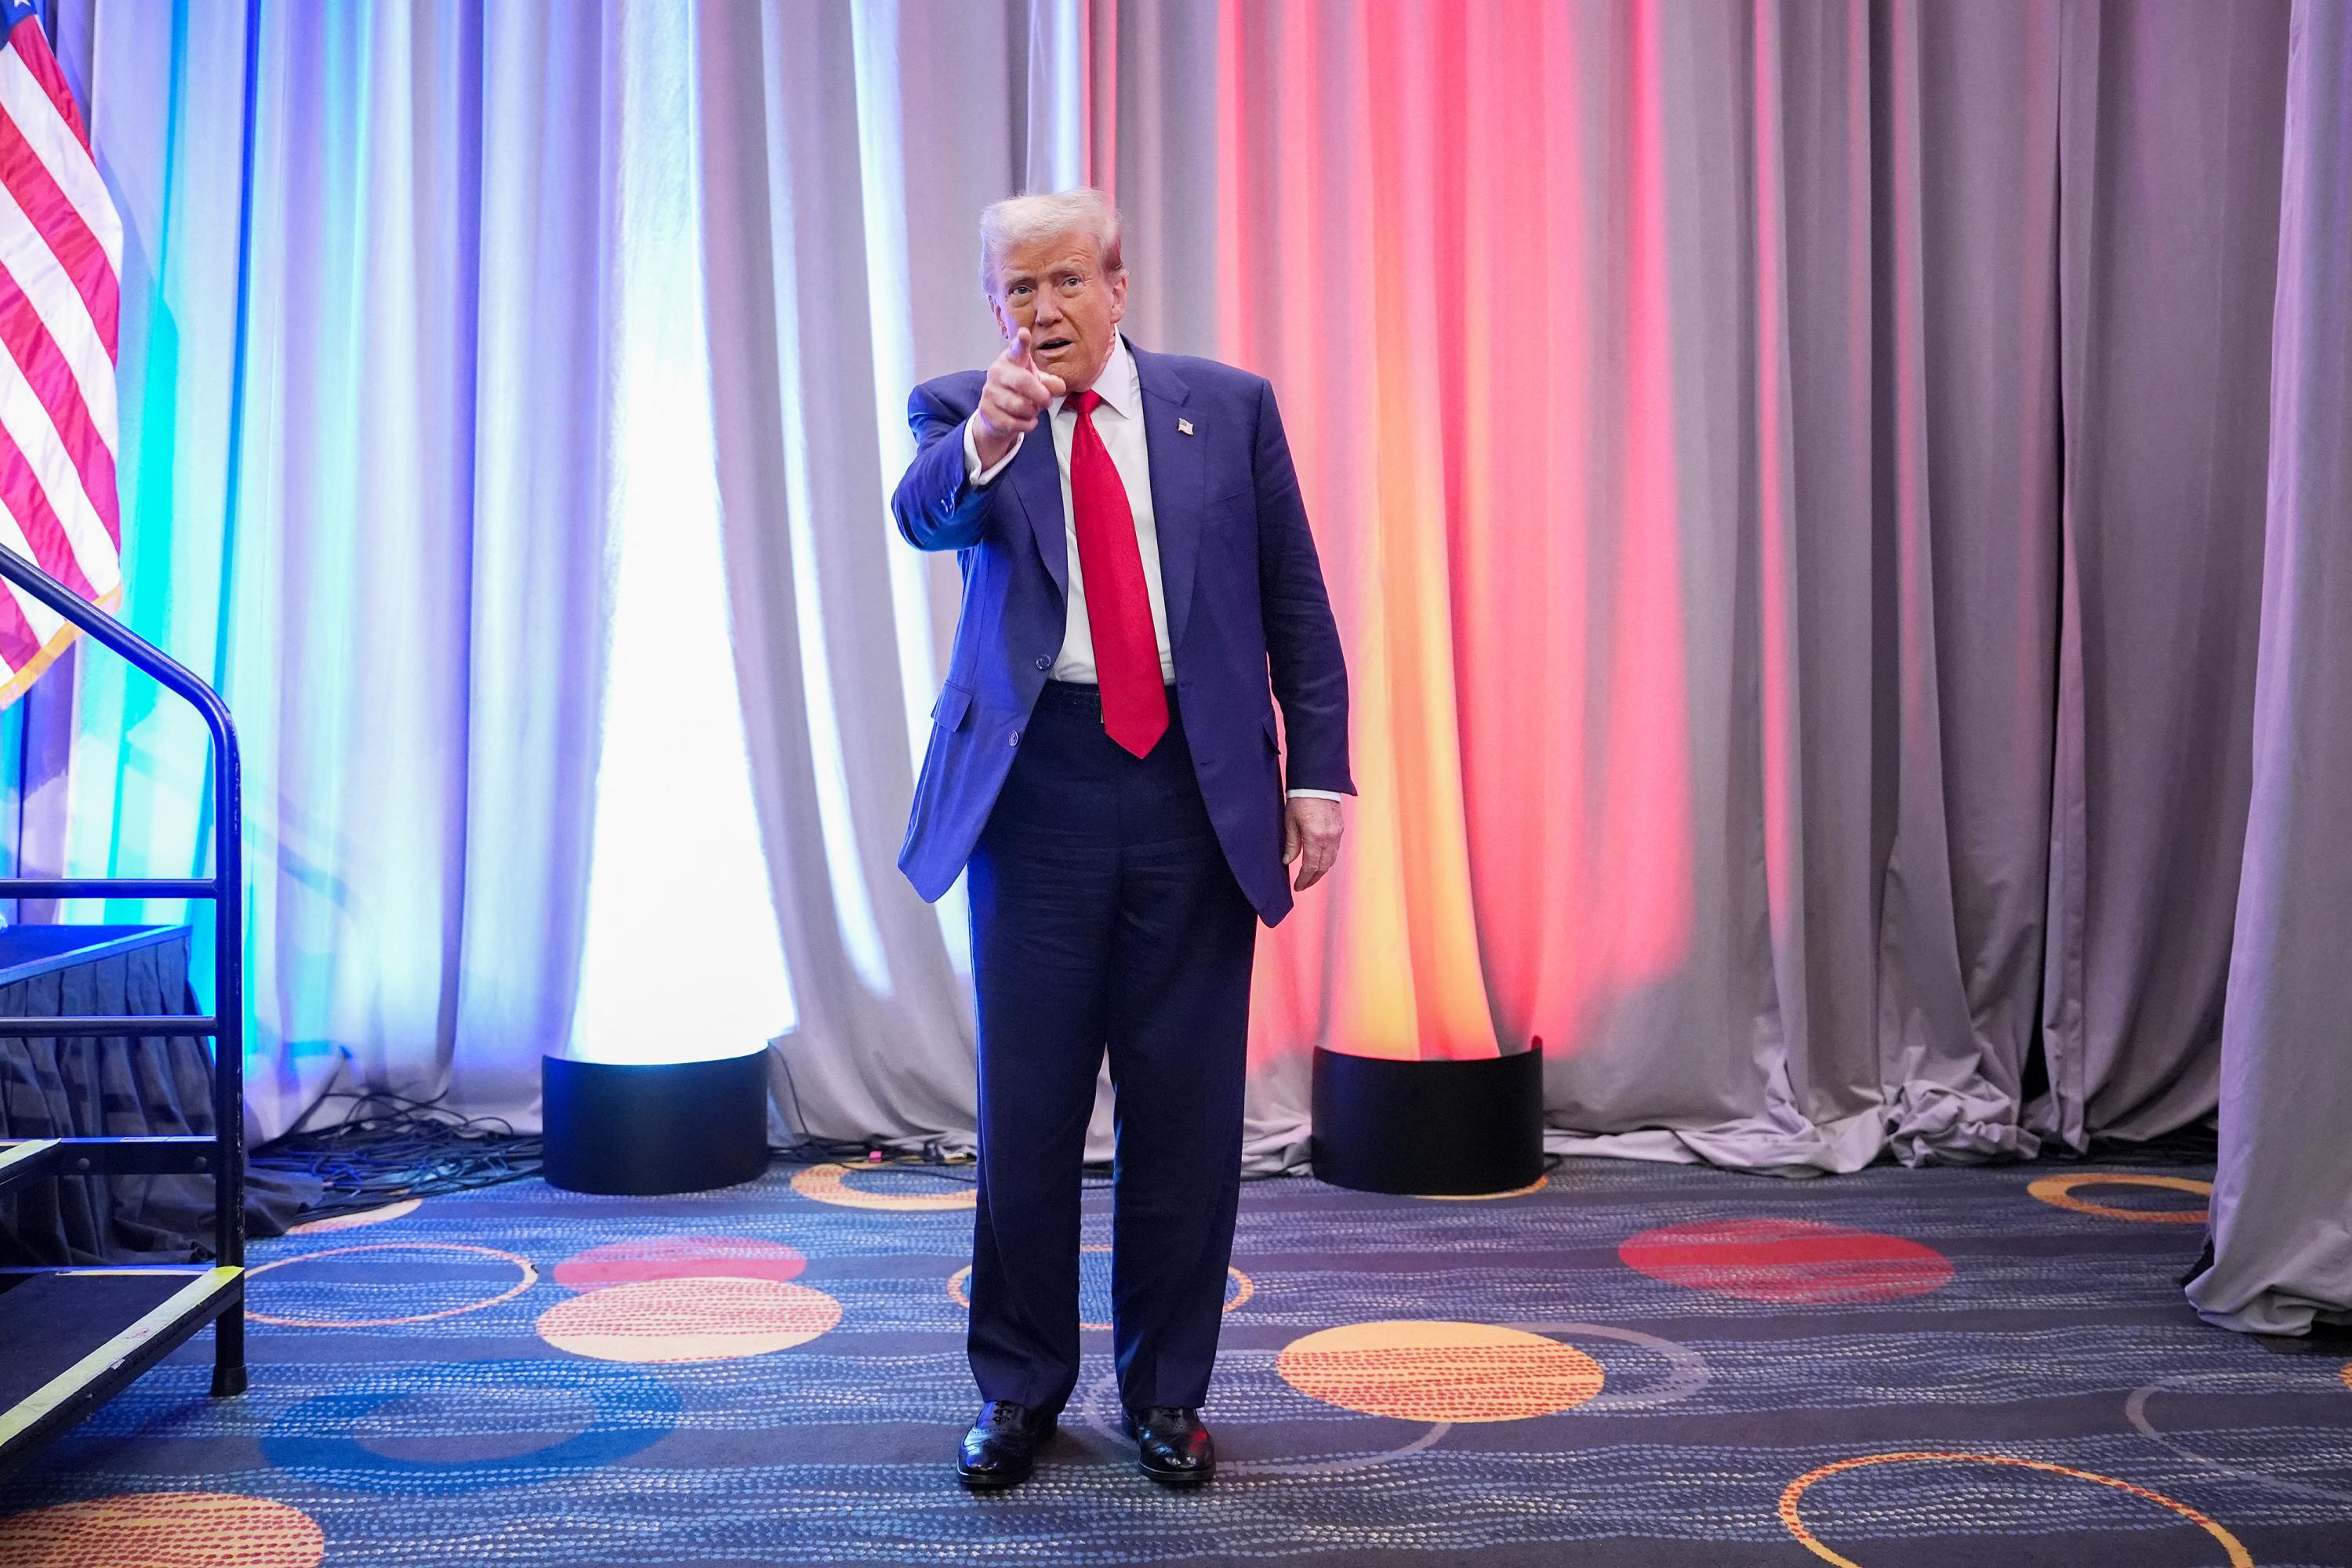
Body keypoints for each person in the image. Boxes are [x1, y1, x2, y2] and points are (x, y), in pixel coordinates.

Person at [890, 188, 1352, 1489]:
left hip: (1194, 796)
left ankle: (1169, 1394)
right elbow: (925, 515)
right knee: (1027, 1114)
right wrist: (987, 433)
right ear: (994, 307)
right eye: (1017, 292)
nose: (1044, 312)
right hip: (1035, 793)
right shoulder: (965, 409)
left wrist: (1319, 776)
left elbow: (1296, 604)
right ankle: (1021, 1391)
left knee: (1186, 1117)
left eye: (1066, 284)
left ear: (1118, 284)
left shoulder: (1230, 408)